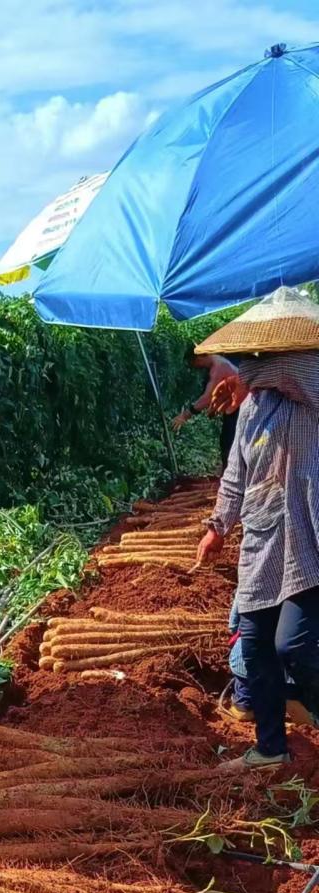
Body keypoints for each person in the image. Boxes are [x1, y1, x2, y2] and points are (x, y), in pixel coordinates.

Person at [195, 288, 319, 768]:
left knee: (296, 645)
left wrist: (241, 373)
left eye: (261, 354)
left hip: (308, 537)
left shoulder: (310, 392)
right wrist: (218, 526)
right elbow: (236, 474)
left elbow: (299, 373)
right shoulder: (252, 407)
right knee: (256, 647)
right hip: (264, 540)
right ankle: (270, 747)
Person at [172, 349, 239, 470]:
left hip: (241, 405)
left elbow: (207, 397)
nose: (195, 368)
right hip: (236, 405)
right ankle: (231, 473)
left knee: (229, 441)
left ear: (198, 358)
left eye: (193, 364)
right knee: (228, 440)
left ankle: (232, 475)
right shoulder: (219, 363)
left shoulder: (218, 367)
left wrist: (185, 415)